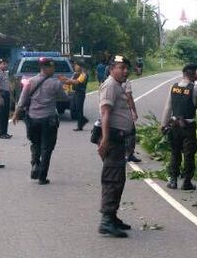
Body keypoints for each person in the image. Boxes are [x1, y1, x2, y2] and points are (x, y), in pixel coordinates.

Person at [12, 57, 68, 185]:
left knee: (35, 143)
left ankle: (35, 164)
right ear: (45, 68)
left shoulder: (30, 82)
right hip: (49, 120)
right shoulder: (55, 83)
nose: (54, 69)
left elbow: (22, 100)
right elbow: (64, 98)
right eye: (52, 67)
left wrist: (16, 114)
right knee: (46, 148)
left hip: (33, 119)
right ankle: (42, 177)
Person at [160, 63, 197, 190]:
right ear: (194, 74)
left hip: (174, 125)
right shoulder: (195, 89)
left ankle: (173, 181)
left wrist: (163, 124)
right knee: (189, 154)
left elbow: (168, 107)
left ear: (183, 73)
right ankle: (187, 182)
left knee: (175, 153)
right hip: (188, 127)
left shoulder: (173, 87)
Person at [97, 55, 134, 238]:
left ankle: (112, 216)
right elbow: (105, 112)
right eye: (121, 67)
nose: (125, 71)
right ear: (112, 68)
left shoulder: (117, 85)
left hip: (117, 138)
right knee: (112, 179)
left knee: (118, 179)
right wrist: (105, 139)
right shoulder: (110, 85)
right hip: (111, 138)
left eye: (127, 68)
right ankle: (106, 221)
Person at [60, 61, 89, 131]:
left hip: (80, 93)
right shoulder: (75, 74)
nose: (75, 67)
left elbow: (77, 82)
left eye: (76, 65)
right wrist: (64, 80)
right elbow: (71, 81)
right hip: (75, 93)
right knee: (72, 108)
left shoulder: (83, 74)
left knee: (79, 109)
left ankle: (80, 125)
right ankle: (83, 120)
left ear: (81, 67)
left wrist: (67, 80)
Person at [0, 58, 12, 139]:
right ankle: (1, 133)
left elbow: (8, 84)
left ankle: (5, 132)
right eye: (3, 63)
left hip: (6, 94)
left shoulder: (5, 73)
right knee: (1, 114)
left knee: (6, 114)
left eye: (6, 63)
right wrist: (0, 97)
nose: (5, 65)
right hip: (1, 94)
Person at [123, 79, 141, 163]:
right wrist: (134, 111)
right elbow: (129, 96)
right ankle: (129, 154)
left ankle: (124, 154)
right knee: (131, 132)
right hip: (125, 111)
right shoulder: (125, 81)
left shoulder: (107, 82)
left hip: (113, 112)